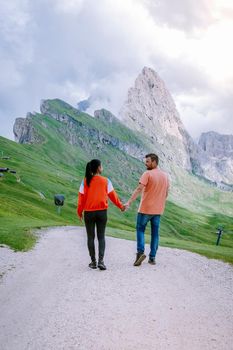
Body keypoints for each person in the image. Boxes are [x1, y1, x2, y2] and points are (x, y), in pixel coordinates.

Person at [77, 159, 125, 270]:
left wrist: (79, 212)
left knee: (90, 237)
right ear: (98, 168)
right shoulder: (106, 181)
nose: (102, 168)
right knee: (101, 237)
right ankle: (101, 262)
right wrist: (121, 206)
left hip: (89, 213)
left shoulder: (85, 181)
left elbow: (81, 199)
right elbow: (113, 196)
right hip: (102, 212)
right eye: (101, 166)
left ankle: (93, 262)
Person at [125, 153, 169, 266]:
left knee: (140, 230)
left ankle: (140, 253)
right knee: (155, 234)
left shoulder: (147, 174)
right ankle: (152, 258)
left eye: (148, 161)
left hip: (145, 209)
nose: (146, 163)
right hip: (158, 211)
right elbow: (166, 193)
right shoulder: (165, 176)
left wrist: (129, 202)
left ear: (154, 162)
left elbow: (139, 189)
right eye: (146, 161)